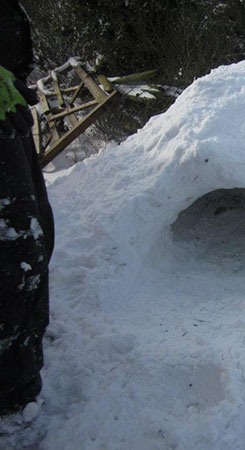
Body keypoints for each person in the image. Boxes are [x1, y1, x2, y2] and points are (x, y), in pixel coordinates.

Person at [0, 0, 54, 418]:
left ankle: (23, 355)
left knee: (33, 237)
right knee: (14, 251)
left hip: (10, 117)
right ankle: (10, 384)